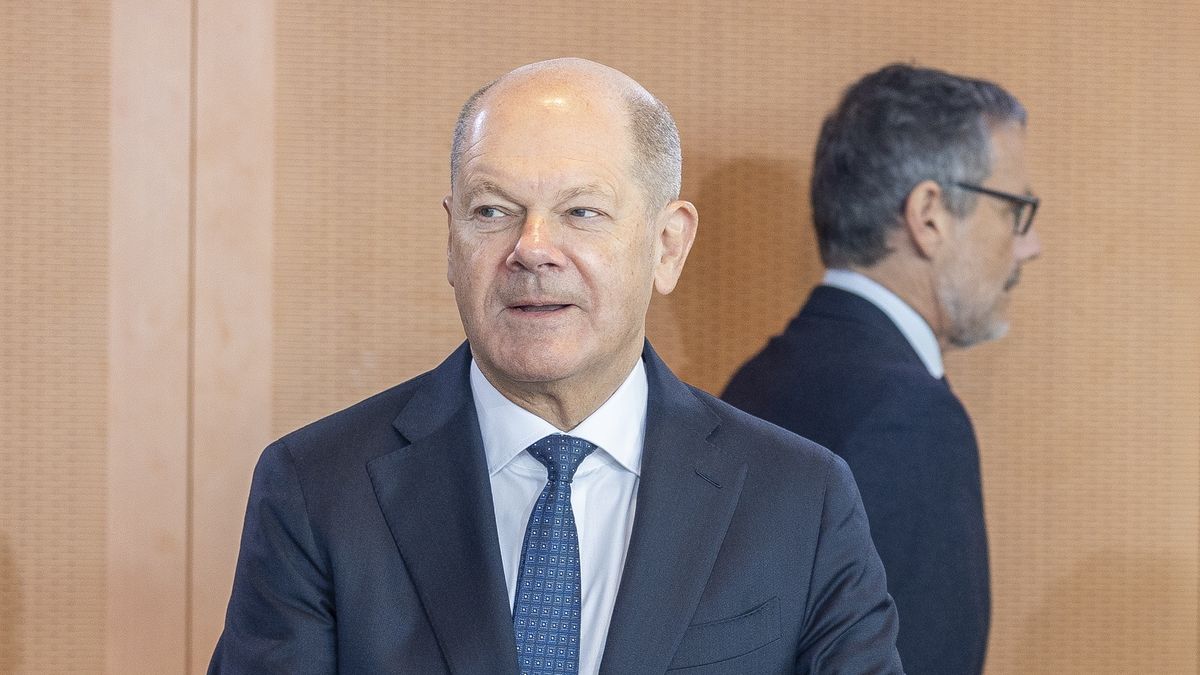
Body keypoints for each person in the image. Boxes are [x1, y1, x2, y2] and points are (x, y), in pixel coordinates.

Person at [209, 58, 902, 674]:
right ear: (451, 242)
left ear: (667, 246)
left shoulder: (800, 500)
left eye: (581, 211)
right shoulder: (317, 490)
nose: (532, 248)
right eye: (492, 210)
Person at [722, 63, 1042, 674]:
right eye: (1014, 210)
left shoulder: (754, 382)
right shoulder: (913, 421)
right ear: (929, 215)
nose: (1029, 245)